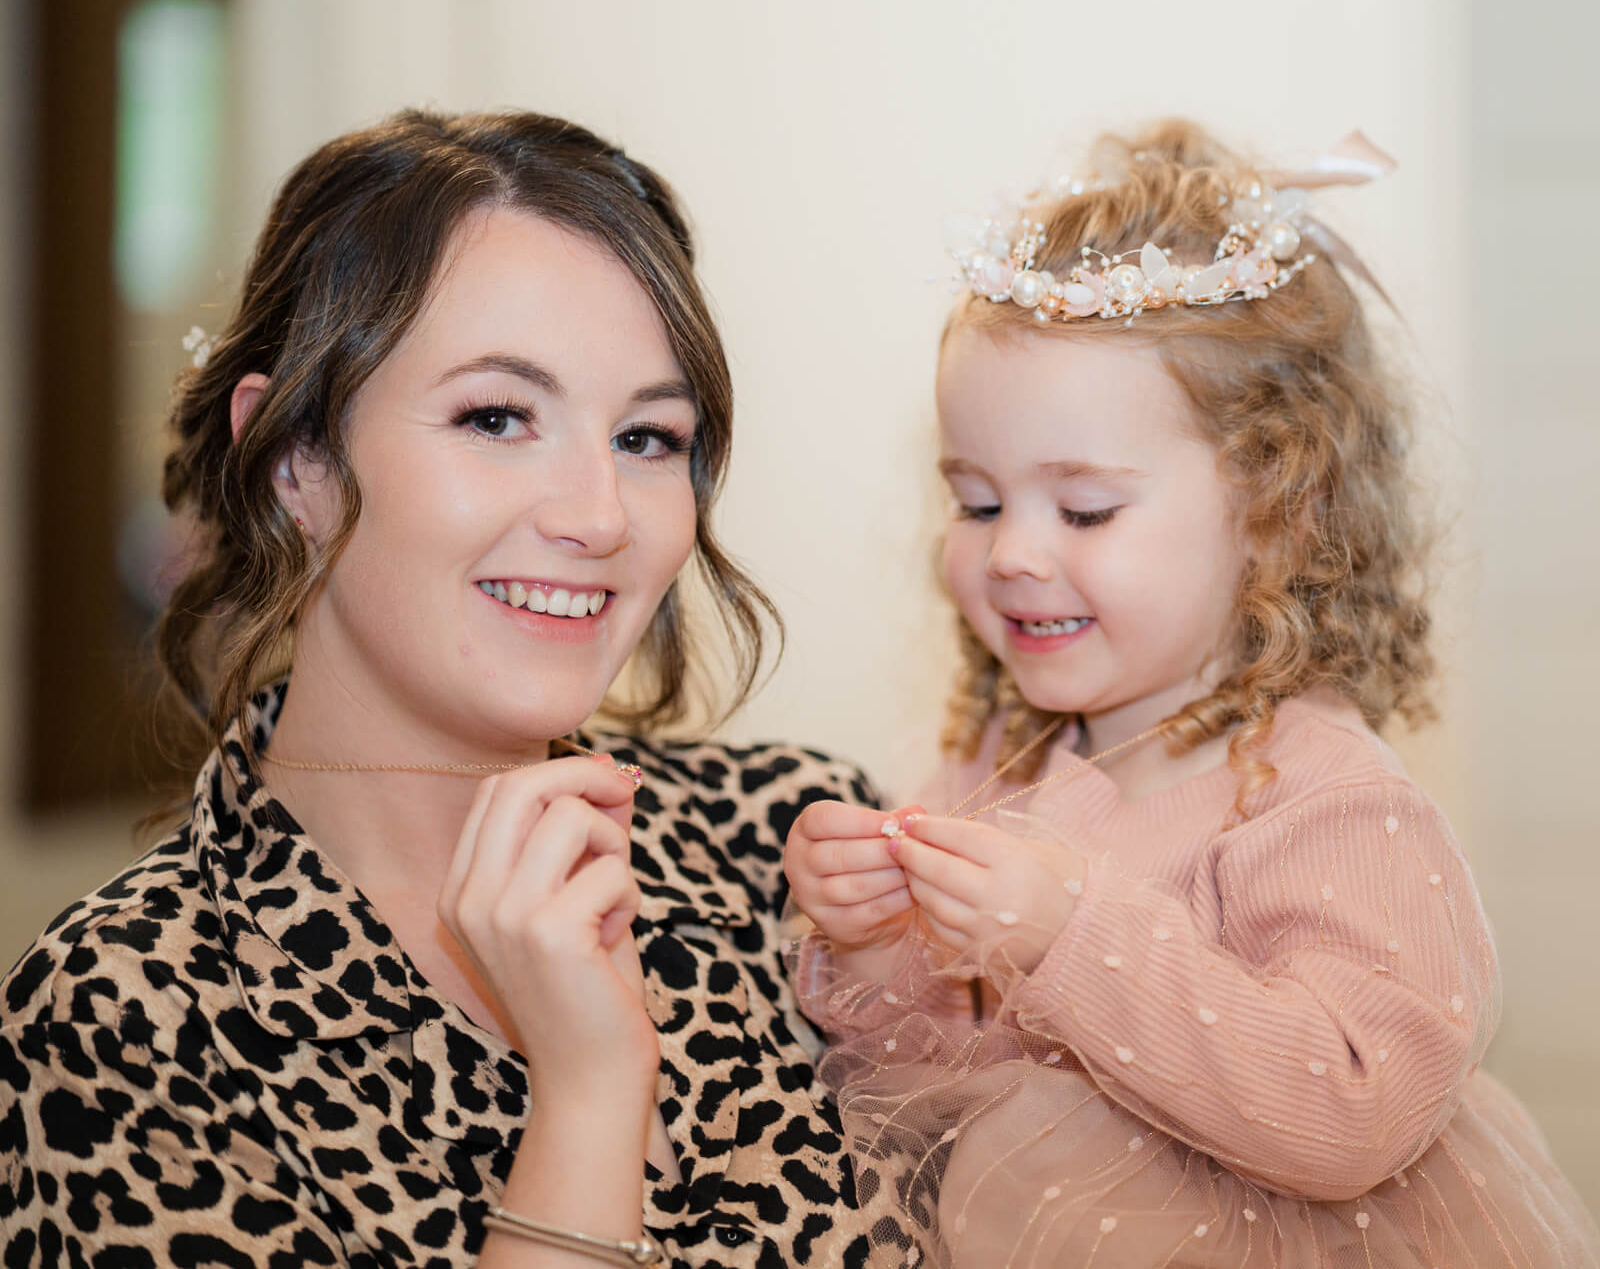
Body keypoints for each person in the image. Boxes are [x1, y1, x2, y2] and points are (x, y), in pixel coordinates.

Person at [0, 109, 884, 1268]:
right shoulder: (126, 1017)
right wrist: (585, 1092)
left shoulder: (795, 846)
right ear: (293, 458)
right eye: (497, 417)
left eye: (648, 436)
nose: (599, 515)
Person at [783, 121, 1600, 1266]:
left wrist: (1072, 932)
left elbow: (1354, 1109)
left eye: (1083, 510)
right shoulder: (996, 759)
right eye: (976, 502)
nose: (1012, 551)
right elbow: (924, 1088)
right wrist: (871, 940)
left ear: (1278, 509)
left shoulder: (1324, 793)